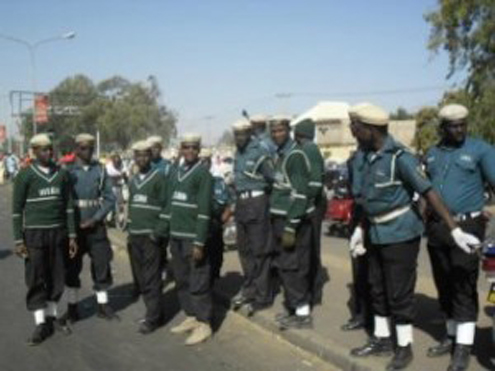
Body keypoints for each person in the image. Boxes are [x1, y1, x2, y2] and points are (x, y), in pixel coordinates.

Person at [348, 104, 481, 371]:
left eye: (356, 126)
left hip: (400, 232)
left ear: (371, 129)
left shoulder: (400, 158)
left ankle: (404, 347)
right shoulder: (366, 156)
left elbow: (429, 192)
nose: (353, 131)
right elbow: (369, 200)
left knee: (399, 292)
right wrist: (360, 229)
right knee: (377, 287)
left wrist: (454, 228)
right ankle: (383, 339)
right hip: (374, 231)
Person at [423, 104, 495, 371]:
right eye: (453, 126)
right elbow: (425, 189)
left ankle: (464, 348)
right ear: (442, 128)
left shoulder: (481, 150)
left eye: (463, 124)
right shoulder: (432, 153)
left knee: (464, 284)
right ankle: (451, 336)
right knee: (444, 284)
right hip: (437, 228)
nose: (460, 130)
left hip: (468, 226)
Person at [12, 133, 78, 345]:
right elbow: (16, 210)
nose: (48, 152)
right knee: (36, 278)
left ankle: (52, 317)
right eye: (43, 149)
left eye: (50, 149)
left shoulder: (62, 174)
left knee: (57, 277)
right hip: (34, 234)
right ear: (33, 151)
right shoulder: (25, 175)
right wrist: (18, 240)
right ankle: (40, 324)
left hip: (58, 234)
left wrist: (72, 235)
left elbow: (68, 206)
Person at [163, 133, 214, 346]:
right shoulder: (175, 173)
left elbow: (204, 212)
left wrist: (199, 242)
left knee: (198, 280)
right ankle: (191, 315)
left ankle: (204, 323)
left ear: (199, 150)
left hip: (193, 237)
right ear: (181, 149)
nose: (190, 151)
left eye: (194, 148)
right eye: (187, 147)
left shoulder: (203, 174)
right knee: (182, 279)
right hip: (177, 235)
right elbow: (169, 204)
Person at [64, 133, 117, 322]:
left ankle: (103, 306)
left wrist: (95, 218)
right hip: (75, 229)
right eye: (84, 148)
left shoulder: (100, 170)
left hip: (95, 227)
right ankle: (72, 309)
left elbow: (110, 198)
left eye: (91, 148)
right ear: (77, 149)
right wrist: (70, 225)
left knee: (102, 265)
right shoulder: (68, 171)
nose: (88, 152)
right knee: (71, 269)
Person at [269, 116, 313, 330]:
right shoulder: (281, 155)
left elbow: (301, 194)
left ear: (289, 131)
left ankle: (302, 313)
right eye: (273, 131)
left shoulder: (294, 155)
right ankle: (294, 309)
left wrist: (290, 225)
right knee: (286, 267)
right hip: (279, 218)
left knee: (293, 267)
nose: (276, 134)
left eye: (280, 131)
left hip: (290, 221)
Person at [232, 119, 275, 316]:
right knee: (244, 250)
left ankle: (263, 296)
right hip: (241, 204)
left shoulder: (259, 151)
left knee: (260, 251)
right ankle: (250, 289)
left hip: (257, 203)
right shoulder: (237, 153)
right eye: (236, 134)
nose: (239, 138)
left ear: (249, 133)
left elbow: (272, 178)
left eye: (242, 134)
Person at [127, 140, 168, 334]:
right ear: (134, 157)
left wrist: (157, 232)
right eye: (138, 155)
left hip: (151, 236)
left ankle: (153, 319)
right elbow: (131, 205)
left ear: (150, 156)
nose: (141, 158)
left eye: (145, 155)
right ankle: (154, 311)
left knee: (152, 278)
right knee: (141, 279)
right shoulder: (133, 180)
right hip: (134, 235)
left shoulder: (159, 178)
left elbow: (167, 208)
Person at [342, 103, 373, 332]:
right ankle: (362, 313)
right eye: (351, 124)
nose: (353, 128)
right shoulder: (355, 157)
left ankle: (376, 317)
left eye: (356, 124)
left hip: (375, 217)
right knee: (359, 269)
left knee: (375, 271)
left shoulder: (378, 153)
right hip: (358, 216)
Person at [290, 118, 326, 307]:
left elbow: (314, 183)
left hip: (313, 205)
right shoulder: (305, 148)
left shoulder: (309, 148)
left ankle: (313, 293)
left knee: (311, 251)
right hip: (310, 203)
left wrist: (304, 201)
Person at [200, 147, 233, 283]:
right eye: (201, 161)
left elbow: (229, 201)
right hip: (199, 224)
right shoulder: (193, 179)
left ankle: (214, 280)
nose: (204, 164)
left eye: (206, 161)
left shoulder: (218, 180)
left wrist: (226, 214)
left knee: (216, 255)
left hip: (215, 223)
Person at [147, 135, 173, 284]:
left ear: (161, 149)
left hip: (162, 210)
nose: (154, 151)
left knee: (162, 244)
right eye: (152, 148)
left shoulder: (167, 165)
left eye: (157, 147)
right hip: (148, 210)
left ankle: (162, 272)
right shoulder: (144, 164)